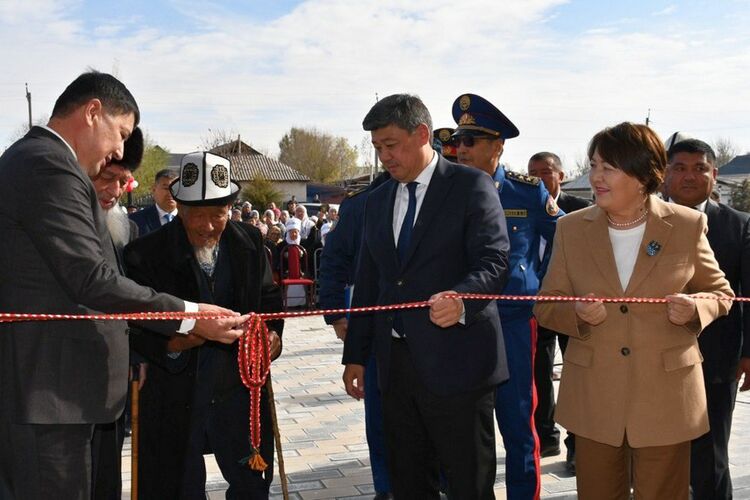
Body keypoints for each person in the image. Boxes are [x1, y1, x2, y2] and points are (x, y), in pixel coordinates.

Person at [0, 71, 247, 500]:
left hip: (66, 394)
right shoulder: (48, 165)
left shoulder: (43, 162)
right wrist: (191, 316)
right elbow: (91, 279)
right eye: (122, 133)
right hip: (50, 395)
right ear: (93, 112)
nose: (119, 150)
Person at [534, 122, 733, 499]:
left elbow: (721, 293)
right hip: (594, 399)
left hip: (666, 397)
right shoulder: (571, 229)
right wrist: (576, 313)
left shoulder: (687, 225)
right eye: (594, 165)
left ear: (642, 175)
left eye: (608, 168)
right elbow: (546, 304)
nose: (595, 177)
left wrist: (695, 310)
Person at [342, 94, 510, 499]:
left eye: (391, 144)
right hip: (396, 369)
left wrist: (462, 299)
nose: (384, 156)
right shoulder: (378, 199)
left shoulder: (470, 185)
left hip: (459, 363)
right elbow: (369, 282)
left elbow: (494, 260)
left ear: (421, 134)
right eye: (377, 147)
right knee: (409, 482)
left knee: (469, 484)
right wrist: (356, 355)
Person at [125, 152, 284, 499]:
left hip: (240, 396)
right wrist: (177, 343)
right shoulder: (145, 254)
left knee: (251, 488)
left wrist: (272, 335)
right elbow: (136, 326)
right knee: (177, 488)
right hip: (174, 397)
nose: (207, 226)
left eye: (217, 215)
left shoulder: (249, 242)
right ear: (179, 208)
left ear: (231, 208)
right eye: (196, 215)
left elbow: (269, 299)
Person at [451, 93, 561, 500]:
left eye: (471, 141)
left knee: (517, 422)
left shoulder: (526, 193)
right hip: (460, 323)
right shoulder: (447, 191)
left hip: (513, 323)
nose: (462, 149)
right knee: (462, 426)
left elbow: (566, 238)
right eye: (458, 141)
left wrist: (542, 286)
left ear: (497, 145)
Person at [663, 137, 750, 499]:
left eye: (699, 168)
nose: (689, 176)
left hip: (715, 360)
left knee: (710, 458)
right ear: (665, 174)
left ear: (714, 174)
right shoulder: (639, 222)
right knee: (656, 459)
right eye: (680, 168)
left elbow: (747, 294)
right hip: (651, 359)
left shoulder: (738, 225)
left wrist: (748, 354)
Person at [319, 170, 393, 499]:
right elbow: (334, 260)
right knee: (379, 410)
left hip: (430, 326)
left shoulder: (443, 195)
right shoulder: (360, 204)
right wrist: (336, 314)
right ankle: (386, 486)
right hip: (372, 322)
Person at [89, 126, 144, 500]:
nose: (114, 190)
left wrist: (135, 356)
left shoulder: (123, 228)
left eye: (122, 181)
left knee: (108, 476)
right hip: (68, 380)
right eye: (107, 178)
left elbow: (131, 297)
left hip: (114, 376)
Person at [527, 151, 590, 472]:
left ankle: (577, 445)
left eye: (545, 171)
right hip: (535, 305)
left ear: (561, 175)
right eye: (533, 172)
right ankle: (546, 435)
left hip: (573, 305)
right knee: (538, 374)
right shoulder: (522, 205)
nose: (539, 178)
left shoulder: (581, 209)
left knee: (576, 376)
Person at [129, 168, 179, 235]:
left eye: (175, 188)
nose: (170, 193)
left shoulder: (189, 219)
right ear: (154, 189)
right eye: (166, 188)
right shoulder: (135, 220)